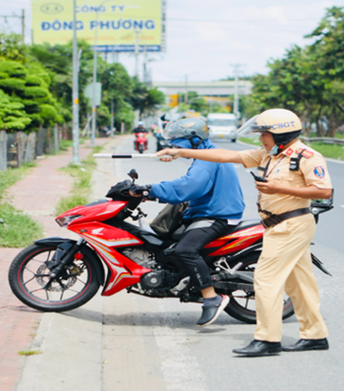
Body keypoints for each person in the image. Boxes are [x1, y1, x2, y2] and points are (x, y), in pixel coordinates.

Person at [157, 108, 332, 356]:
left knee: (266, 281)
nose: (261, 139)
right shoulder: (270, 155)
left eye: (265, 134)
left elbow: (324, 191)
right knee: (300, 284)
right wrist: (179, 152)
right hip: (277, 225)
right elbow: (226, 155)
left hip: (290, 225)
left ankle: (268, 340)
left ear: (281, 134)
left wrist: (278, 188)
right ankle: (315, 335)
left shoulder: (306, 156)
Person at [132, 117, 245, 327]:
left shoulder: (208, 160)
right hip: (206, 211)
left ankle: (212, 296)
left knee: (185, 250)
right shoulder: (205, 154)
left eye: (178, 140)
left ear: (195, 140)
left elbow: (188, 187)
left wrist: (151, 189)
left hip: (217, 215)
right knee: (164, 243)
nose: (174, 144)